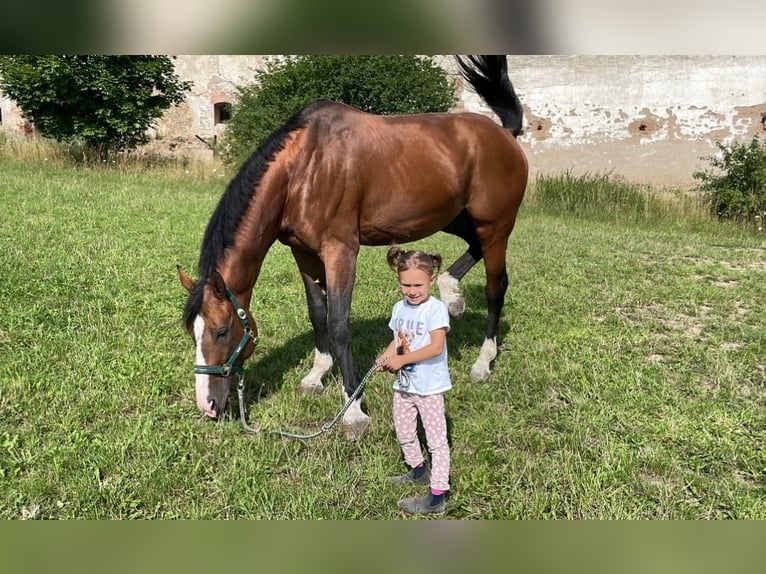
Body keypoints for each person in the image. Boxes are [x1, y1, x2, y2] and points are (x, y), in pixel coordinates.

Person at [376, 245, 452, 516]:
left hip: (429, 388)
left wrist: (401, 361)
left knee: (436, 442)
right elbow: (397, 340)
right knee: (405, 431)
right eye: (405, 284)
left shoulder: (435, 310)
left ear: (431, 280)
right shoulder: (400, 308)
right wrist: (385, 358)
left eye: (418, 284)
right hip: (405, 385)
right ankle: (418, 469)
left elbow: (434, 347)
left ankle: (437, 496)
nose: (412, 290)